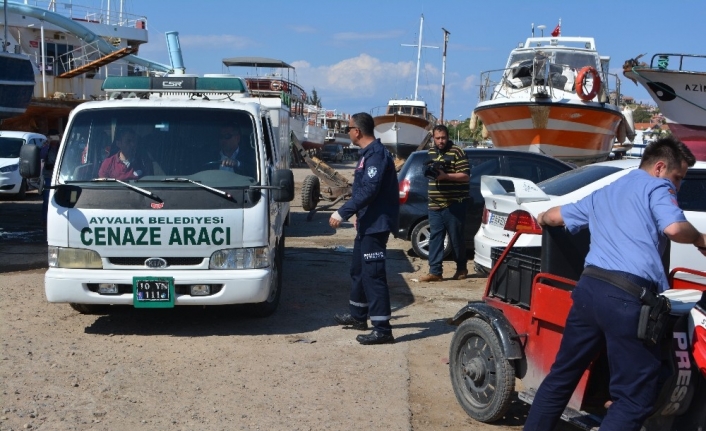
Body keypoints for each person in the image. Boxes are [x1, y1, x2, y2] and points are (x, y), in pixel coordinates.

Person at [523, 136, 706, 431]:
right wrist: (699, 238)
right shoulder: (657, 186)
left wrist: (542, 216)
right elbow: (673, 227)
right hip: (628, 300)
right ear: (660, 168)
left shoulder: (605, 191)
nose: (678, 187)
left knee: (562, 377)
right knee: (634, 399)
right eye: (678, 178)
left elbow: (556, 216)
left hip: (588, 292)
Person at [329, 112, 399, 345]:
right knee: (358, 271)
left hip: (376, 226)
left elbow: (370, 190)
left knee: (374, 276)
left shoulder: (377, 155)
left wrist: (343, 212)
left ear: (357, 131)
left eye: (348, 128)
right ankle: (358, 315)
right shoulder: (367, 155)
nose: (347, 132)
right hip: (367, 222)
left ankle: (382, 329)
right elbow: (362, 191)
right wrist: (358, 214)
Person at [419, 125, 470, 282]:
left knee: (456, 238)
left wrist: (446, 176)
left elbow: (466, 176)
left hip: (453, 203)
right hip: (434, 204)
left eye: (443, 138)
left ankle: (461, 269)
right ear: (433, 138)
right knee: (435, 237)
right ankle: (435, 272)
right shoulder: (432, 152)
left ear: (448, 137)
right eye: (437, 138)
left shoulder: (457, 151)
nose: (441, 141)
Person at [40, 132, 61, 222]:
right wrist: (47, 145)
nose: (54, 140)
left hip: (60, 176)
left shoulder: (62, 147)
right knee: (47, 199)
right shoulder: (46, 147)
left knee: (60, 199)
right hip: (48, 175)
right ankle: (45, 218)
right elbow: (42, 155)